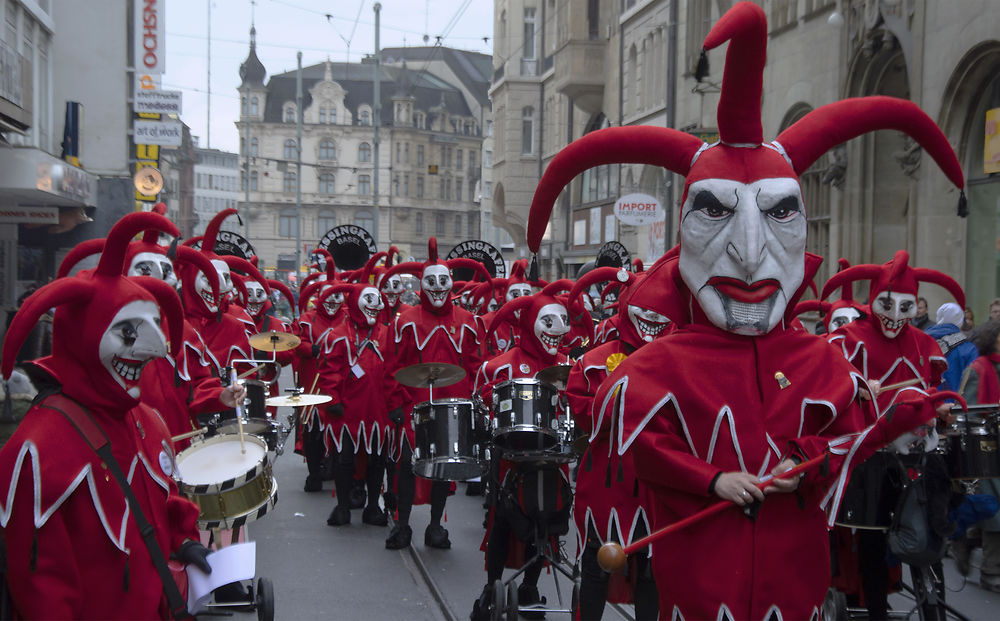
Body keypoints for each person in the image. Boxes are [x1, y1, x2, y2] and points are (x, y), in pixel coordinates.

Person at [522, 4, 966, 618]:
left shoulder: (820, 360)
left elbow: (848, 438)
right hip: (700, 589)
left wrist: (808, 459)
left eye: (780, 212)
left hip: (796, 588)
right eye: (716, 212)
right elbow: (645, 446)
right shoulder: (654, 368)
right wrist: (713, 481)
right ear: (683, 237)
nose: (751, 252)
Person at [0, 212, 214, 619]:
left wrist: (185, 540)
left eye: (154, 328)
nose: (153, 351)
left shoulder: (147, 422)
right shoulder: (37, 451)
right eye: (129, 332)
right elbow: (42, 587)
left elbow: (161, 501)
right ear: (84, 336)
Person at [470, 292, 571, 620]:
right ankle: (493, 584)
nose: (558, 330)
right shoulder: (502, 364)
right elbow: (482, 399)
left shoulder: (567, 365)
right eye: (547, 320)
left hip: (552, 455)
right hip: (511, 456)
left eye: (563, 321)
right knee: (503, 518)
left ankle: (529, 584)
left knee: (546, 520)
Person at [383, 239, 484, 550]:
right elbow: (391, 364)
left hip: (451, 406)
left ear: (451, 283)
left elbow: (476, 364)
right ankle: (402, 525)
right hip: (412, 406)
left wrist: (475, 401)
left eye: (443, 281)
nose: (438, 288)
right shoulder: (404, 321)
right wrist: (396, 402)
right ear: (421, 285)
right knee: (406, 468)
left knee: (444, 468)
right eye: (432, 281)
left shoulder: (467, 321)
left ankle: (435, 526)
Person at [315, 283, 396, 527]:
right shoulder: (338, 335)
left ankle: (372, 506)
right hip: (347, 409)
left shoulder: (387, 334)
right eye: (367, 299)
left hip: (379, 410)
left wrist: (395, 403)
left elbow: (395, 370)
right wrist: (333, 400)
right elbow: (329, 370)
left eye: (377, 299)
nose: (374, 304)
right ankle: (342, 506)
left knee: (377, 459)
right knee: (344, 458)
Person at [957, 319, 1000, 592]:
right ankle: (991, 573)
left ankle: (967, 539)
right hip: (987, 451)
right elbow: (968, 412)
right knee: (996, 514)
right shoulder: (978, 369)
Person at [926, 302, 978, 393]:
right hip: (955, 403)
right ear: (960, 320)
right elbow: (972, 381)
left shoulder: (921, 340)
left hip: (926, 401)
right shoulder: (969, 349)